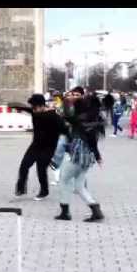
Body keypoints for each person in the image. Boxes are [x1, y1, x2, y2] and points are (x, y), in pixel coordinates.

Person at [54, 94, 106, 223]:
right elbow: (93, 141)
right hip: (87, 156)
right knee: (79, 185)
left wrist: (64, 99)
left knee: (63, 179)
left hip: (79, 154)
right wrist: (98, 157)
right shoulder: (94, 119)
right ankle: (95, 209)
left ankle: (65, 212)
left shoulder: (80, 119)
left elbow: (66, 115)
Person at [9, 94, 69, 201]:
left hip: (48, 147)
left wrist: (69, 144)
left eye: (35, 107)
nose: (34, 110)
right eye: (33, 107)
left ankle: (44, 191)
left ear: (42, 106)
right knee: (24, 165)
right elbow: (26, 108)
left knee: (41, 168)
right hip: (35, 145)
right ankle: (21, 188)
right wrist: (14, 106)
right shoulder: (34, 111)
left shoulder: (54, 116)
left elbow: (65, 130)